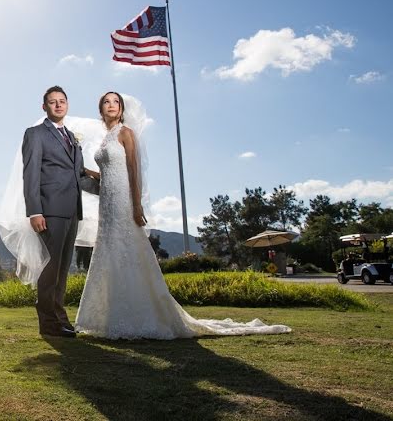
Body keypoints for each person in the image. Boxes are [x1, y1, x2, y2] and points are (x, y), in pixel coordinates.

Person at [73, 91, 291, 339]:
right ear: (100, 109)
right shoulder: (106, 138)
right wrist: (88, 172)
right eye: (106, 102)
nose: (111, 105)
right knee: (109, 251)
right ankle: (108, 316)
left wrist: (137, 205)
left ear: (121, 109)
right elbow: (112, 174)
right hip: (107, 205)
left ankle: (138, 316)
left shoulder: (126, 133)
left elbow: (133, 171)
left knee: (128, 251)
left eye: (116, 102)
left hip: (124, 202)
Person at [20, 86, 98, 338]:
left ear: (67, 104)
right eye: (52, 102)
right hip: (49, 210)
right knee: (50, 268)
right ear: (44, 107)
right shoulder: (35, 134)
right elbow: (30, 174)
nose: (58, 105)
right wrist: (34, 211)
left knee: (62, 269)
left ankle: (60, 319)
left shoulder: (72, 137)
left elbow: (78, 176)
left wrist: (108, 186)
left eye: (62, 101)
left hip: (72, 210)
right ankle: (49, 324)